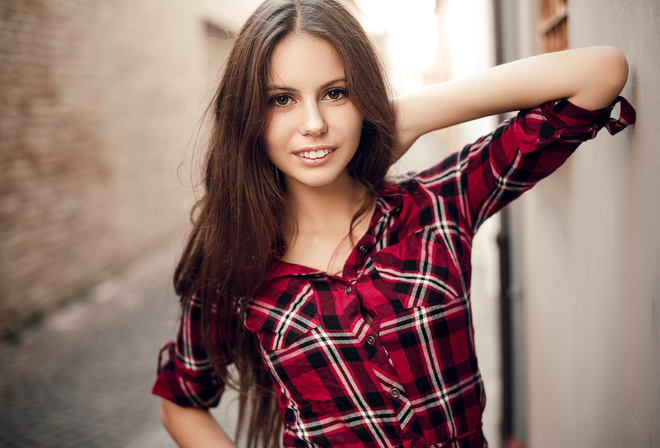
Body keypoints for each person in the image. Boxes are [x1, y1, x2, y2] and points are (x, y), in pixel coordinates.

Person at [151, 0, 635, 447]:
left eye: (336, 93)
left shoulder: (437, 204)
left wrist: (408, 115)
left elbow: (599, 73)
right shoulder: (236, 261)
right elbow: (180, 403)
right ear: (247, 116)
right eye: (281, 99)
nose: (314, 123)